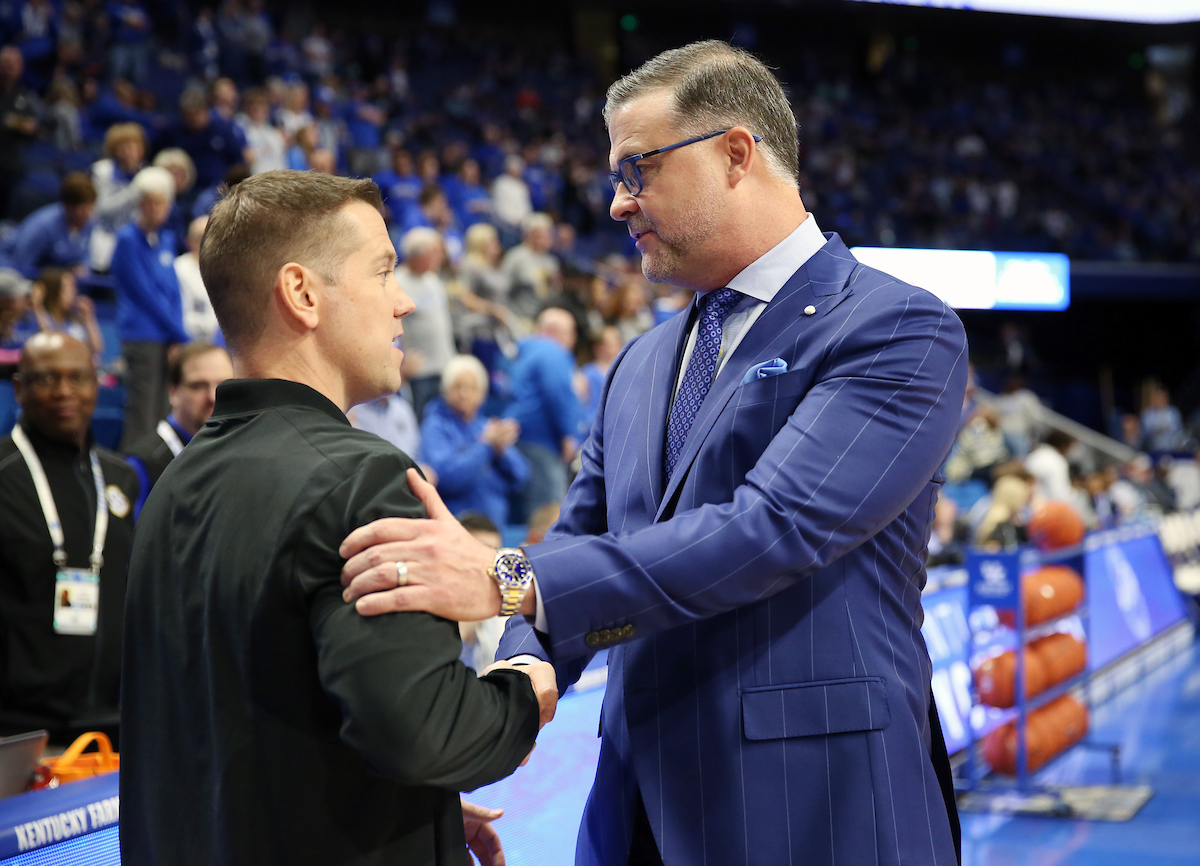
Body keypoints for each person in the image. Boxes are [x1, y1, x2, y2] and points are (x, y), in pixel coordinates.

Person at [339, 41, 966, 866]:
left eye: (638, 170)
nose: (617, 205)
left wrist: (503, 580)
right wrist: (512, 690)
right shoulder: (641, 360)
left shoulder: (896, 328)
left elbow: (772, 529)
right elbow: (579, 536)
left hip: (817, 807)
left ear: (735, 154)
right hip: (637, 808)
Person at [121, 170, 555, 866]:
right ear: (302, 294)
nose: (404, 302)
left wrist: (420, 813)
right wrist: (523, 690)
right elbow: (425, 734)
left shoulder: (173, 481)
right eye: (383, 272)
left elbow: (242, 727)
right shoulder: (362, 476)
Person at [0, 333, 138, 742]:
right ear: (20, 389)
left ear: (96, 383)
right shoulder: (5, 476)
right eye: (46, 379)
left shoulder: (120, 478)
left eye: (77, 377)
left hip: (107, 721)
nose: (64, 391)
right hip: (17, 727)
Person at [110, 166, 189, 449]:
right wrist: (180, 334)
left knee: (164, 412)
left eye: (161, 202)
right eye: (150, 202)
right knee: (142, 413)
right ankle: (133, 476)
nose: (156, 209)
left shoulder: (167, 239)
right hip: (141, 336)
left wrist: (177, 335)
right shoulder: (127, 239)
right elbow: (145, 295)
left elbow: (173, 291)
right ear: (140, 204)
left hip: (167, 337)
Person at [420, 354, 528, 529]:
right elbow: (445, 477)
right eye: (457, 387)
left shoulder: (486, 426)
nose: (464, 394)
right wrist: (486, 446)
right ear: (445, 391)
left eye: (472, 388)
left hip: (494, 526)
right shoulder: (435, 426)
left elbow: (521, 477)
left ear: (482, 395)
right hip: (457, 525)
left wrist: (501, 453)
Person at [124, 342, 232, 517]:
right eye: (198, 386)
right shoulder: (143, 463)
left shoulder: (239, 450)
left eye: (224, 385)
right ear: (173, 392)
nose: (213, 396)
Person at [505, 306, 585, 518]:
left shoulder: (524, 350)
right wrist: (569, 434)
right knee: (546, 515)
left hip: (516, 438)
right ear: (554, 331)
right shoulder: (553, 351)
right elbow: (558, 392)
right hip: (542, 443)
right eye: (571, 332)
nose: (573, 339)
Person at [395, 227, 455, 420]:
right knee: (421, 420)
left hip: (443, 366)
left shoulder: (433, 280)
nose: (440, 257)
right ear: (418, 255)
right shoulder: (398, 282)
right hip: (420, 372)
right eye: (435, 252)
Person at [1, 173, 96, 275]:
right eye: (83, 209)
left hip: (55, 280)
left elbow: (85, 259)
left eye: (91, 207)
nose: (88, 213)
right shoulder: (42, 225)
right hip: (12, 272)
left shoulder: (88, 224)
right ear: (68, 207)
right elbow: (22, 264)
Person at [90, 122, 146, 272]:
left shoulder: (145, 174)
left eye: (135, 146)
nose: (131, 152)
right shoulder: (102, 171)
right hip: (104, 239)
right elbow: (100, 208)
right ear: (115, 149)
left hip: (134, 244)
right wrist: (133, 192)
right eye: (126, 147)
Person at [25, 268, 104, 360]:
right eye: (67, 288)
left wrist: (89, 319)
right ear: (53, 291)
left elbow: (97, 348)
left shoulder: (75, 320)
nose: (73, 292)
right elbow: (49, 345)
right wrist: (38, 307)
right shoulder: (42, 318)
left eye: (74, 287)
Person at [174, 215, 221, 342]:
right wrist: (215, 326)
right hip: (192, 341)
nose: (207, 243)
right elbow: (182, 315)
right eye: (201, 238)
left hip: (222, 341)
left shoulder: (223, 267)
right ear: (189, 241)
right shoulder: (180, 268)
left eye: (212, 237)